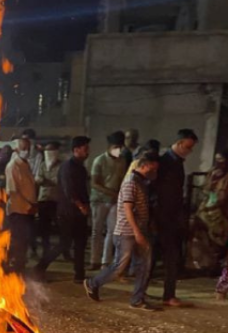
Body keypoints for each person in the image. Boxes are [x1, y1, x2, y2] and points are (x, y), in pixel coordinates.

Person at [85, 152, 161, 311]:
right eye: (153, 167)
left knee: (143, 265)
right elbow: (127, 209)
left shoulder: (141, 182)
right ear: (145, 165)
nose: (155, 171)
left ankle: (138, 299)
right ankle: (93, 283)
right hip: (127, 232)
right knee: (119, 267)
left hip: (138, 230)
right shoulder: (131, 182)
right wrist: (137, 232)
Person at [35, 136, 91, 283]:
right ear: (76, 150)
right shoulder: (68, 167)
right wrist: (80, 205)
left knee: (80, 243)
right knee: (64, 243)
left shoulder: (80, 167)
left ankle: (79, 275)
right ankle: (40, 267)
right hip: (68, 212)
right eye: (85, 149)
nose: (87, 151)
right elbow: (69, 190)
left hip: (79, 212)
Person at [155, 129, 198, 307]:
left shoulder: (176, 162)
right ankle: (166, 295)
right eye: (188, 147)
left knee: (166, 257)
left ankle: (165, 294)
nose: (189, 151)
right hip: (163, 217)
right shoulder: (165, 162)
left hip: (170, 217)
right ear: (180, 143)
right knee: (168, 257)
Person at [89, 131, 127, 270]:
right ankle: (94, 260)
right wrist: (112, 192)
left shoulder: (122, 161)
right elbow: (94, 183)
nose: (119, 149)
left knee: (112, 231)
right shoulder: (99, 160)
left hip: (114, 201)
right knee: (96, 231)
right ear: (110, 146)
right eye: (116, 146)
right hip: (99, 200)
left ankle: (105, 261)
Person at [190, 150, 228, 271]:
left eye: (221, 160)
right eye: (217, 160)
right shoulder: (212, 172)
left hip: (222, 212)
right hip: (208, 208)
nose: (218, 163)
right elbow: (205, 188)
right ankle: (206, 262)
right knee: (199, 230)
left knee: (220, 235)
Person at [3, 144, 37, 275]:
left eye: (28, 146)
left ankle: (19, 265)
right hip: (18, 210)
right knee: (18, 240)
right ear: (16, 149)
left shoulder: (25, 164)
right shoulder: (12, 166)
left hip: (28, 210)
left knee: (24, 239)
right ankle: (14, 266)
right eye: (24, 147)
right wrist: (29, 205)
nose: (27, 150)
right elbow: (13, 191)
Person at [35, 142, 62, 264]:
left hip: (56, 200)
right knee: (44, 228)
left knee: (60, 227)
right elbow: (38, 179)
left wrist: (46, 181)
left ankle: (63, 251)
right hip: (43, 199)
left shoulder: (61, 166)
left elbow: (59, 181)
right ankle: (45, 251)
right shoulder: (42, 165)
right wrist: (44, 181)